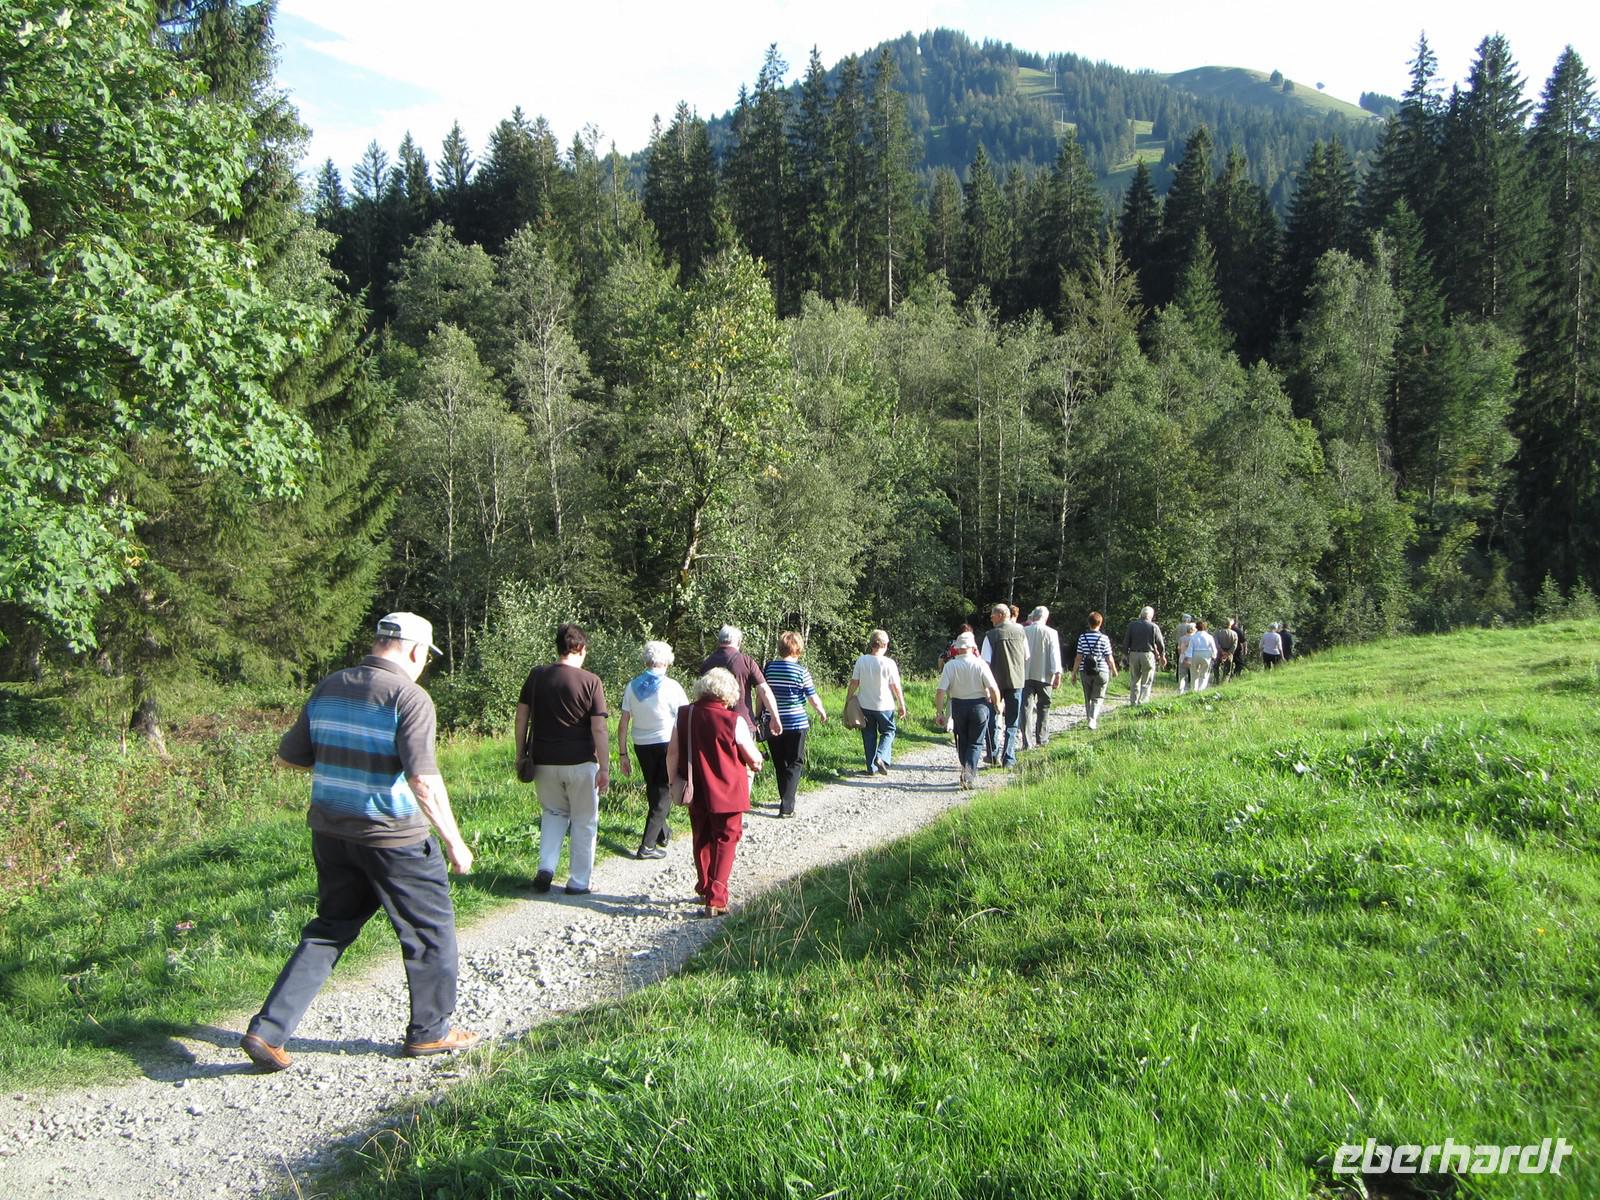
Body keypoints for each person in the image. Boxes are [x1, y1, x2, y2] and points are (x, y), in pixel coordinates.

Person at [241, 612, 477, 1072]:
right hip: (394, 838)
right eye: (426, 657)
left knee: (331, 927)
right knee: (430, 933)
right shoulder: (409, 696)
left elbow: (290, 759)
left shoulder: (328, 686)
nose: (424, 664)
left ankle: (268, 1031)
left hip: (332, 832)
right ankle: (431, 1033)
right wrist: (454, 841)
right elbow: (422, 780)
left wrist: (346, 759)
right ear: (414, 650)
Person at [515, 623, 609, 896]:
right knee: (583, 820)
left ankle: (546, 867)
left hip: (543, 761)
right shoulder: (591, 681)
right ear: (580, 648)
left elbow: (522, 717)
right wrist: (605, 767)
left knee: (553, 813)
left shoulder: (537, 675)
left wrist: (520, 753)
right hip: (581, 761)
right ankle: (579, 881)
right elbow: (599, 728)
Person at [668, 667, 763, 916]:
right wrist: (757, 762)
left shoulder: (684, 715)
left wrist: (672, 783)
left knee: (701, 836)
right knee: (726, 839)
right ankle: (717, 897)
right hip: (728, 791)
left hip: (695, 787)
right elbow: (751, 756)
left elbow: (673, 752)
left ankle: (705, 886)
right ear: (729, 693)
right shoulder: (733, 720)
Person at [617, 640, 689, 860]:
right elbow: (685, 717)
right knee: (664, 792)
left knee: (654, 788)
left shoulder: (632, 686)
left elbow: (623, 723)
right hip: (667, 742)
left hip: (641, 744)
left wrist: (623, 753)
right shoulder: (672, 687)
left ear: (647, 660)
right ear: (667, 661)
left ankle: (662, 833)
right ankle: (646, 846)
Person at [762, 631, 828, 816]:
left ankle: (784, 798)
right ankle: (787, 806)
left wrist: (759, 713)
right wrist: (821, 711)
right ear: (798, 649)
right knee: (795, 762)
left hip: (772, 722)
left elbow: (761, 693)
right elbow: (812, 697)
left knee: (779, 763)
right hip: (796, 722)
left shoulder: (768, 668)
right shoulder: (801, 671)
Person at [935, 631, 1002, 789]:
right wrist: (997, 704)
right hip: (979, 707)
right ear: (973, 647)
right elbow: (993, 688)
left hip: (958, 706)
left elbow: (940, 692)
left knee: (961, 740)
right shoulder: (980, 664)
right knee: (975, 743)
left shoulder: (950, 666)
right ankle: (968, 774)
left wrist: (940, 712)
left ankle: (966, 770)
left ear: (957, 649)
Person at [698, 625, 782, 737]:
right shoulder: (746, 661)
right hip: (743, 724)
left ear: (719, 641)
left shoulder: (707, 663)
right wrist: (775, 717)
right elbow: (764, 691)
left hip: (713, 725)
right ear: (738, 642)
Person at [846, 629, 907, 774]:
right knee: (889, 731)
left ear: (871, 644)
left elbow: (854, 682)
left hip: (865, 705)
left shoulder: (862, 660)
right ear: (885, 645)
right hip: (885, 706)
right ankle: (880, 756)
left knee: (869, 735)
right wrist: (901, 704)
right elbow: (895, 686)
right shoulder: (889, 663)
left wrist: (848, 699)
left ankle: (871, 768)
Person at [981, 603, 1028, 766]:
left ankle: (993, 754)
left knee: (993, 718)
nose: (991, 618)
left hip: (995, 683)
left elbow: (985, 663)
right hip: (1016, 681)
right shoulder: (1021, 632)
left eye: (992, 615)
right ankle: (1009, 757)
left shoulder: (991, 635)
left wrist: (985, 686)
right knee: (1012, 721)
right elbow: (1026, 656)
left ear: (1000, 615)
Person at [1021, 606, 1063, 747]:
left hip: (1025, 674)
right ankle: (1042, 738)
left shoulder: (1024, 631)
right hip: (1045, 675)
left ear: (1033, 617)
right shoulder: (1051, 632)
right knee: (1044, 706)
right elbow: (1054, 655)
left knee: (1026, 708)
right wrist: (1057, 674)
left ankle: (1027, 742)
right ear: (1045, 617)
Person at [1072, 611, 1119, 730]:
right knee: (1098, 697)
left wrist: (1074, 673)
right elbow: (1109, 657)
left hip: (1085, 670)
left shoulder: (1082, 637)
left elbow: (1079, 657)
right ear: (1100, 623)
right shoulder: (1104, 638)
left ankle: (1089, 718)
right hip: (1101, 671)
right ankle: (1093, 720)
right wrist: (1114, 670)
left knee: (1087, 697)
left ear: (1088, 623)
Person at [1123, 605, 1167, 705]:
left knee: (1135, 678)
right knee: (1147, 679)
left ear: (1141, 615)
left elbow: (1126, 641)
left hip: (1133, 654)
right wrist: (1162, 655)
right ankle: (1142, 702)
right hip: (1147, 654)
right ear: (1151, 616)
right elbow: (1160, 643)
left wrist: (1125, 654)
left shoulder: (1132, 625)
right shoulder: (1153, 626)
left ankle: (1133, 702)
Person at [1184, 619, 1218, 692]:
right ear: (1206, 627)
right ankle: (1201, 689)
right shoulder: (1209, 637)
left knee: (1193, 673)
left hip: (1195, 654)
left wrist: (1188, 658)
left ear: (1196, 627)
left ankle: (1193, 689)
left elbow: (1190, 649)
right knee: (1204, 674)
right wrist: (1214, 656)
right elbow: (1214, 648)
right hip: (1206, 655)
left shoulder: (1193, 637)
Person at [1174, 618, 1197, 695]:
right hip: (1191, 658)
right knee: (1193, 675)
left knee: (1182, 675)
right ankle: (1192, 690)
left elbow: (1179, 649)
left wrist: (1181, 655)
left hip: (1182, 657)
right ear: (1192, 630)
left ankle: (1180, 691)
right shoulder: (1194, 638)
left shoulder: (1181, 638)